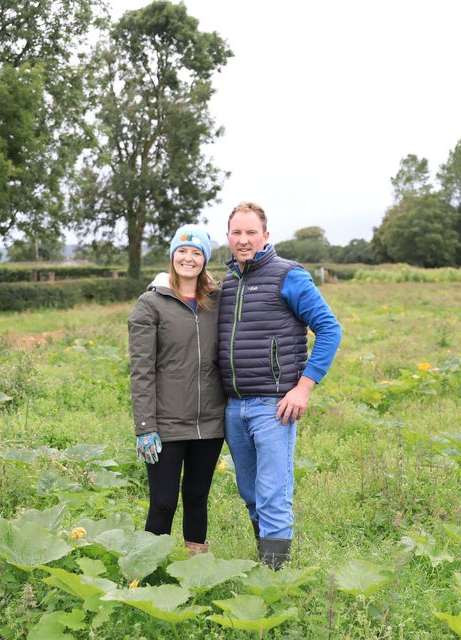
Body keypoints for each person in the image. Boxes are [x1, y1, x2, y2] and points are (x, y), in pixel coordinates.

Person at [219, 201, 342, 568]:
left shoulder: (288, 276)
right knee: (251, 494)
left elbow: (329, 329)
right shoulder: (227, 284)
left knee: (273, 494)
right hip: (233, 406)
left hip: (274, 407)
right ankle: (266, 562)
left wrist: (304, 387)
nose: (244, 240)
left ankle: (275, 579)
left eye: (251, 232)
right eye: (237, 233)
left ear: (266, 235)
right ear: (228, 237)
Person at [128, 224, 226, 555]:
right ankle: (145, 571)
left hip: (210, 422)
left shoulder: (217, 303)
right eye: (182, 251)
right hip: (166, 425)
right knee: (164, 502)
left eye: (196, 252)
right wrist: (145, 427)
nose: (188, 258)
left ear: (205, 260)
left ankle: (194, 567)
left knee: (197, 498)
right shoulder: (150, 304)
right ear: (172, 256)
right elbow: (141, 371)